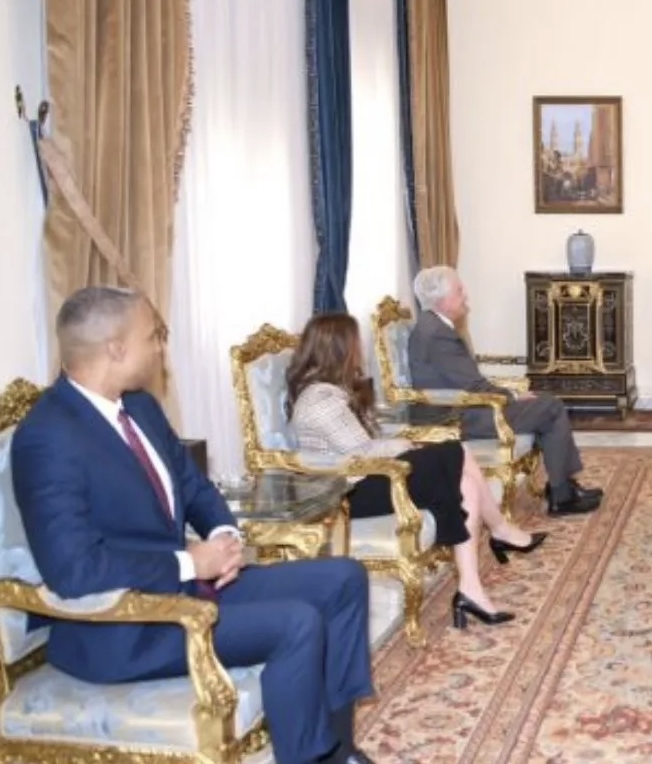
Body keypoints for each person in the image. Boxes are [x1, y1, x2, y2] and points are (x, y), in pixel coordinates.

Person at [11, 287, 374, 764]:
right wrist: (188, 562)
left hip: (190, 591)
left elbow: (193, 486)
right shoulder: (48, 436)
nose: (161, 348)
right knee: (297, 623)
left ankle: (338, 749)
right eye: (153, 336)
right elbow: (73, 570)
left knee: (343, 578)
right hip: (123, 628)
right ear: (115, 349)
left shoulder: (139, 406)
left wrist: (224, 535)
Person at [288, 313, 546, 628]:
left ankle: (470, 588)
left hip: (370, 476)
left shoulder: (332, 392)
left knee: (463, 481)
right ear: (339, 349)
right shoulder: (320, 401)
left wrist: (403, 444)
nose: (360, 351)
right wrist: (404, 445)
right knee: (455, 452)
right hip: (350, 492)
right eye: (355, 344)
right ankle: (501, 530)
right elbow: (361, 454)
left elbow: (365, 445)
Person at [406, 266, 602, 515]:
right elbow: (473, 386)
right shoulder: (437, 334)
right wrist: (513, 396)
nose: (465, 295)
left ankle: (563, 490)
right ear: (442, 300)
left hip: (462, 408)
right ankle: (562, 496)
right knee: (550, 407)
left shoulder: (432, 326)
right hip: (455, 416)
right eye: (459, 291)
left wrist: (513, 395)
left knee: (544, 402)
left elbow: (468, 382)